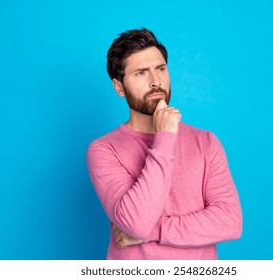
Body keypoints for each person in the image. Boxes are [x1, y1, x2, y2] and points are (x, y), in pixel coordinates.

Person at [86, 28, 242, 260]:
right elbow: (136, 224)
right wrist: (166, 135)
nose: (155, 81)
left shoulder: (205, 142)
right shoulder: (104, 149)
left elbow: (230, 222)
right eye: (141, 73)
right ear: (119, 87)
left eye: (160, 69)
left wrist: (156, 231)